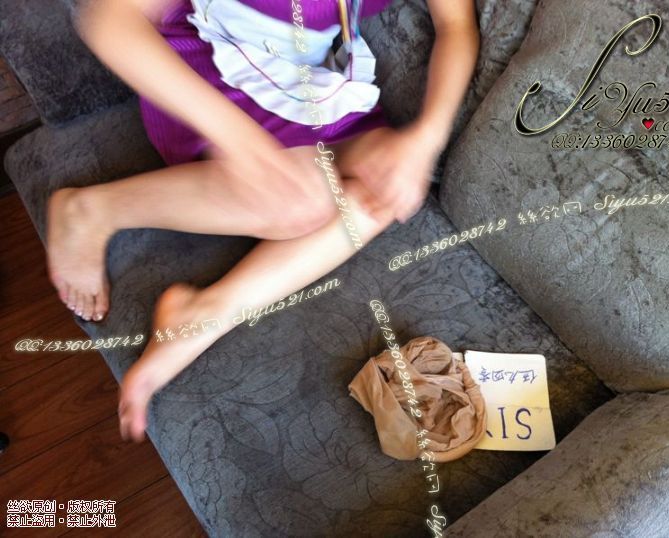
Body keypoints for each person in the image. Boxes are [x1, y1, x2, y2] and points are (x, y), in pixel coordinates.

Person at [47, 0, 479, 442]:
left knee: (383, 190)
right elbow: (107, 20)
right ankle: (94, 209)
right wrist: (241, 142)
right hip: (212, 73)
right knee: (302, 204)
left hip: (309, 86)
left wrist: (425, 139)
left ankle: (204, 314)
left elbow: (455, 23)